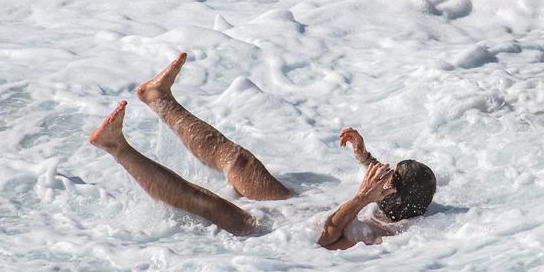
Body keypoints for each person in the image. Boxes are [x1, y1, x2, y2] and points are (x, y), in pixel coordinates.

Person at [88, 53, 436, 250]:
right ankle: (158, 98)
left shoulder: (381, 233)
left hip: (265, 232)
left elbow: (326, 236)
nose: (381, 171)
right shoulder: (389, 199)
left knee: (201, 200)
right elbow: (378, 187)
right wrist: (363, 156)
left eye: (387, 175)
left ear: (390, 195)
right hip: (289, 207)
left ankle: (116, 146)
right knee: (240, 161)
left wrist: (360, 198)